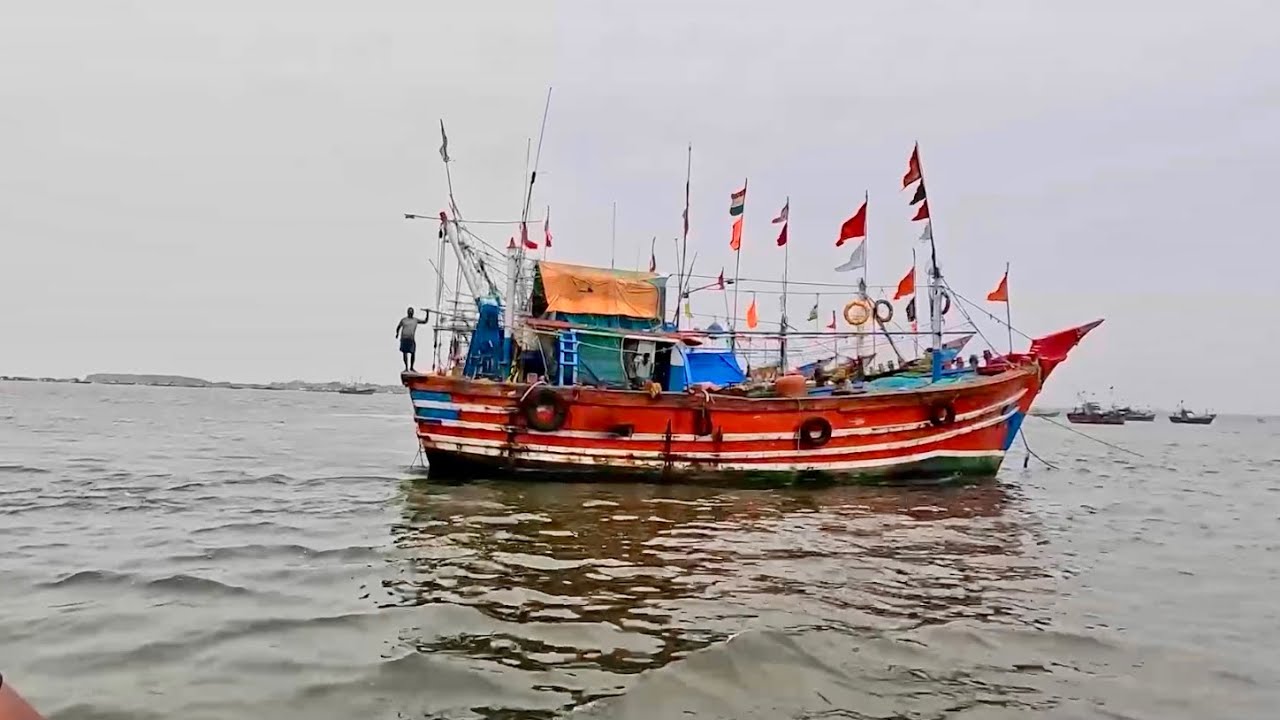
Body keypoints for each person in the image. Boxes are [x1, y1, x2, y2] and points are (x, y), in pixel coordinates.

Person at [395, 307, 426, 372]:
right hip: (404, 338)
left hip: (411, 339)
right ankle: (406, 368)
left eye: (411, 311)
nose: (410, 312)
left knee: (413, 352)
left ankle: (411, 367)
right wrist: (397, 333)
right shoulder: (404, 320)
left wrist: (427, 313)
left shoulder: (415, 320)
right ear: (407, 312)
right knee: (405, 353)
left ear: (413, 313)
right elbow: (398, 327)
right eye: (409, 311)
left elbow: (425, 321)